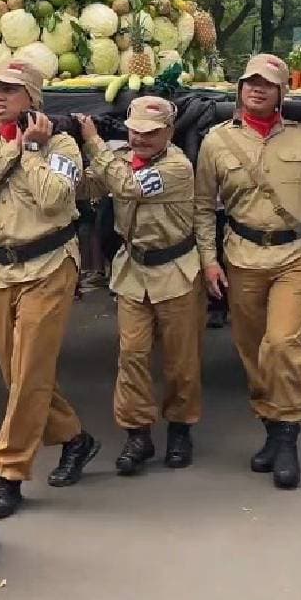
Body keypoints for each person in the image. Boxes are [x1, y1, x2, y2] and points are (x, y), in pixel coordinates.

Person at [195, 53, 301, 489]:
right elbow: (204, 206)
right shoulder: (216, 141)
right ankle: (270, 428)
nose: (256, 89)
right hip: (242, 254)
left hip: (296, 252)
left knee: (282, 343)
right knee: (253, 352)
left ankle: (288, 437)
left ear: (283, 92)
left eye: (266, 83)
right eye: (249, 82)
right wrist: (209, 260)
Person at [0, 61, 99, 518]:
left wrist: (35, 151)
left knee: (30, 374)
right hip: (0, 270)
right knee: (16, 373)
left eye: (10, 90)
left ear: (33, 99)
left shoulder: (62, 146)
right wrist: (14, 148)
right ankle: (76, 439)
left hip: (49, 265)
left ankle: (9, 472)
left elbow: (56, 198)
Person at [77, 97, 204, 476]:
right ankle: (138, 433)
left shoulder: (177, 166)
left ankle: (181, 427)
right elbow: (89, 185)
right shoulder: (120, 158)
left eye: (150, 133)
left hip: (175, 271)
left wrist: (94, 143)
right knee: (131, 354)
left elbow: (129, 187)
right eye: (134, 131)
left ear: (169, 132)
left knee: (181, 360)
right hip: (133, 269)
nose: (140, 139)